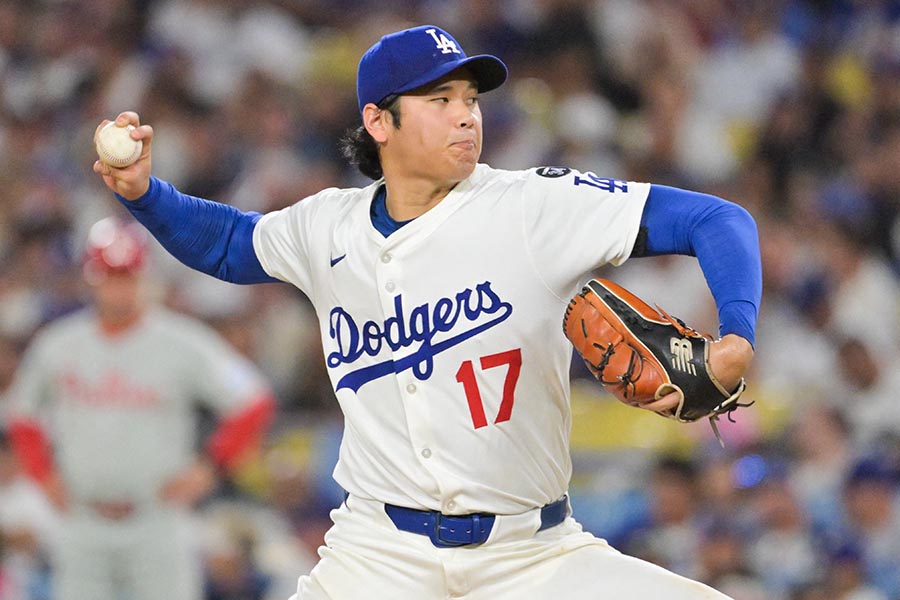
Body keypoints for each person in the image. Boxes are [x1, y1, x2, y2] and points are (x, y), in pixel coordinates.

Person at [91, 24, 761, 600]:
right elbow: (231, 243)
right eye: (440, 100)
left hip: (531, 555)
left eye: (469, 99)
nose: (466, 115)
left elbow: (714, 218)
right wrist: (146, 193)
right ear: (379, 122)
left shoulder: (532, 206)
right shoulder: (330, 226)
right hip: (377, 555)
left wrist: (738, 332)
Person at [5, 217, 277, 600]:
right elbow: (22, 413)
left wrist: (211, 466)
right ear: (91, 278)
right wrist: (41, 474)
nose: (119, 289)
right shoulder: (59, 344)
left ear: (145, 277)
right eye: (110, 277)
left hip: (157, 518)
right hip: (82, 518)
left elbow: (253, 399)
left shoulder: (182, 342)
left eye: (127, 276)